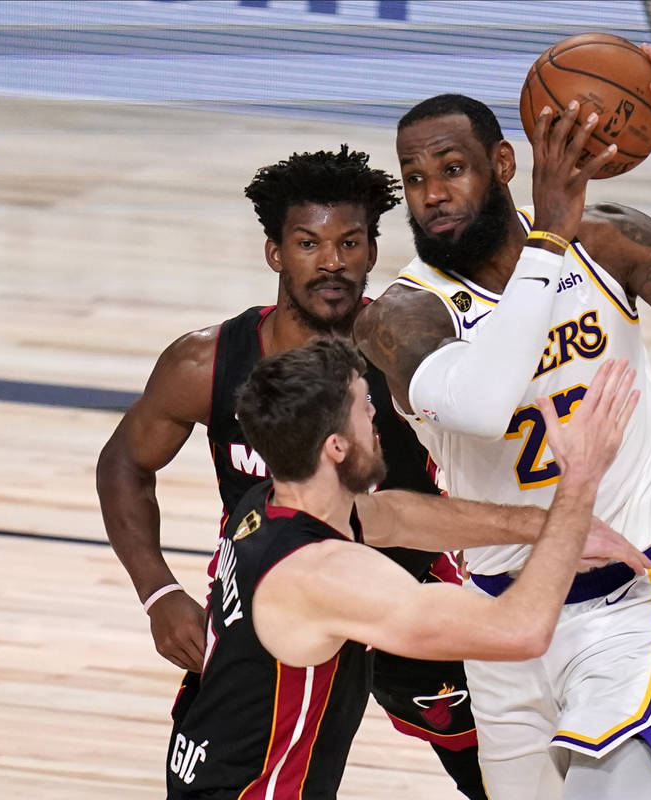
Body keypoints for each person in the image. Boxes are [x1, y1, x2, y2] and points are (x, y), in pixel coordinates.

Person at [353, 45, 651, 799]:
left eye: (451, 169)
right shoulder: (401, 315)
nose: (432, 194)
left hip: (633, 594)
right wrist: (549, 239)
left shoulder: (607, 243)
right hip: (502, 620)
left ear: (503, 163)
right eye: (415, 179)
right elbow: (486, 405)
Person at [97, 146, 490, 798]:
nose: (331, 261)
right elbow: (124, 462)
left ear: (371, 251)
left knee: (496, 774)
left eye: (349, 242)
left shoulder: (406, 355)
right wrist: (157, 592)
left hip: (404, 601)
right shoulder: (206, 364)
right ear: (275, 252)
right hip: (270, 605)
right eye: (309, 242)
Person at [165, 339, 642, 799]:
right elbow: (518, 629)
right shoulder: (321, 575)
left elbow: (395, 516)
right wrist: (578, 482)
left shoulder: (268, 504)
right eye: (364, 407)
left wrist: (542, 526)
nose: (375, 415)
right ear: (336, 447)